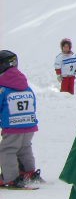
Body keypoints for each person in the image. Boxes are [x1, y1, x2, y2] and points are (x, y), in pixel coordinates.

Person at [0, 50, 43, 188]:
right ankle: (29, 172)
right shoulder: (26, 86)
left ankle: (11, 177)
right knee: (25, 148)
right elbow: (33, 103)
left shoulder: (2, 88)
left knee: (8, 150)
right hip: (29, 125)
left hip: (13, 126)